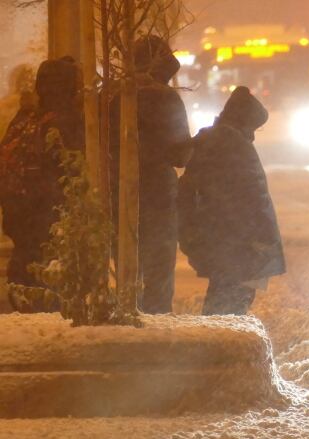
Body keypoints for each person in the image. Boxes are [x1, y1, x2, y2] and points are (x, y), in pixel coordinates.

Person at [178, 86, 285, 315]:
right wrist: (263, 241)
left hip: (223, 242)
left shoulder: (211, 142)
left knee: (220, 300)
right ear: (243, 121)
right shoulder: (235, 145)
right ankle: (216, 349)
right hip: (242, 246)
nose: (254, 135)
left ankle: (211, 346)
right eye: (253, 128)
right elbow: (254, 198)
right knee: (231, 305)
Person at [110, 36, 192, 314]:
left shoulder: (109, 96)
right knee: (158, 274)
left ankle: (126, 327)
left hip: (117, 195)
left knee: (127, 273)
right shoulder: (166, 98)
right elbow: (181, 155)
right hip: (157, 195)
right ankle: (158, 335)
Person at [0, 57, 83, 309]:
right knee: (47, 264)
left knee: (25, 258)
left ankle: (22, 302)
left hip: (18, 207)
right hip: (48, 209)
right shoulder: (66, 120)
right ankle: (38, 308)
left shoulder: (25, 118)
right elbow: (73, 167)